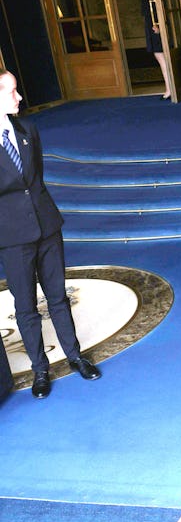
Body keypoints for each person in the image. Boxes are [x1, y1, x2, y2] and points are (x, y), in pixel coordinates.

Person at [0, 70, 101, 398]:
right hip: (12, 237)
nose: (19, 98)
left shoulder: (28, 129)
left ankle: (75, 357)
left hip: (47, 227)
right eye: (12, 92)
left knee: (58, 296)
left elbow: (35, 181)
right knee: (26, 306)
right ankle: (39, 370)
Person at [136, 0, 171, 100]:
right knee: (159, 54)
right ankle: (169, 87)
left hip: (155, 23)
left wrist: (158, 24)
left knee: (161, 54)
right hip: (151, 22)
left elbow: (157, 4)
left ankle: (170, 88)